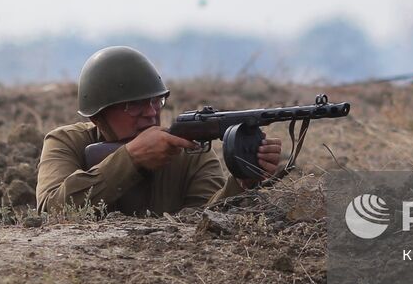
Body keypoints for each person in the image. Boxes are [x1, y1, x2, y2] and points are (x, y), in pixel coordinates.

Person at [35, 46, 282, 215]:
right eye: (133, 105)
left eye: (156, 101)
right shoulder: (66, 142)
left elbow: (206, 220)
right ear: (97, 116)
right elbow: (51, 209)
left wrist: (242, 183)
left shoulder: (189, 151)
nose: (151, 112)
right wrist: (129, 159)